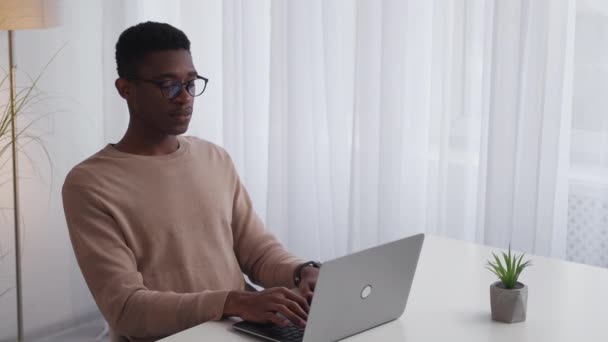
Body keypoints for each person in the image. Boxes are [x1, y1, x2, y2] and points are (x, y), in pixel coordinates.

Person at [62, 21, 320, 342]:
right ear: (125, 88)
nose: (184, 98)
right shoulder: (90, 184)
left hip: (239, 331)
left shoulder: (214, 158)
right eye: (167, 85)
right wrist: (232, 301)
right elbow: (126, 310)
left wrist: (302, 271)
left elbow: (257, 253)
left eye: (191, 83)